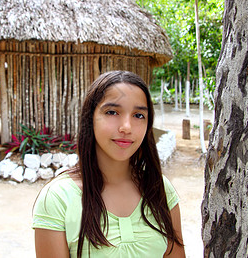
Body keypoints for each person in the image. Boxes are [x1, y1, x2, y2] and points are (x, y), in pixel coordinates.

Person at [32, 71, 185, 258]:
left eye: (138, 115)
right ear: (90, 119)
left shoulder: (159, 189)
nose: (126, 127)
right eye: (112, 112)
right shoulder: (58, 199)